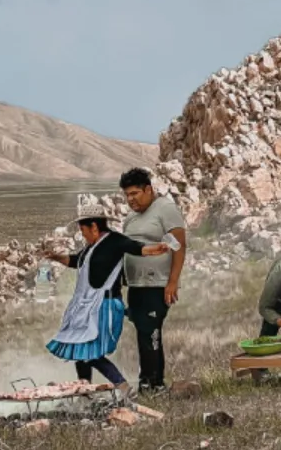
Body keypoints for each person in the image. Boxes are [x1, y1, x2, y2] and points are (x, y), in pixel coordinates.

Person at [44, 203, 170, 399]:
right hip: (88, 307)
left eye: (83, 230)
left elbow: (138, 249)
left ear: (94, 226)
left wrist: (158, 249)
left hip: (104, 307)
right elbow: (77, 261)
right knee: (80, 350)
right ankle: (84, 392)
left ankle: (124, 389)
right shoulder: (90, 248)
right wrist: (56, 257)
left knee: (90, 353)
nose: (82, 234)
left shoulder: (115, 242)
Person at [119, 168, 188, 395]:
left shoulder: (165, 209)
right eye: (127, 195)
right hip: (136, 286)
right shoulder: (130, 217)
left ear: (148, 189)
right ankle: (148, 381)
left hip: (157, 284)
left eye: (135, 193)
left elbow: (179, 245)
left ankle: (153, 383)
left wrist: (173, 282)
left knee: (151, 332)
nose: (131, 199)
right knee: (142, 331)